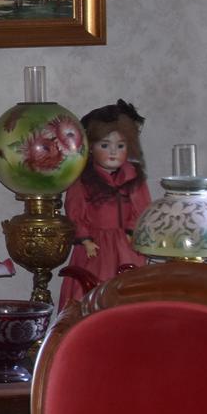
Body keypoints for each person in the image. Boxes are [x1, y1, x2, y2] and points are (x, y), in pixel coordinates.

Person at [59, 101, 150, 310]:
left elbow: (141, 207)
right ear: (91, 148)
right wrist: (85, 238)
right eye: (105, 145)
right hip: (96, 245)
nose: (113, 152)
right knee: (92, 287)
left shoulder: (134, 177)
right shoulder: (83, 180)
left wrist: (132, 230)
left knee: (128, 289)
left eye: (120, 146)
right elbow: (75, 211)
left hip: (126, 244)